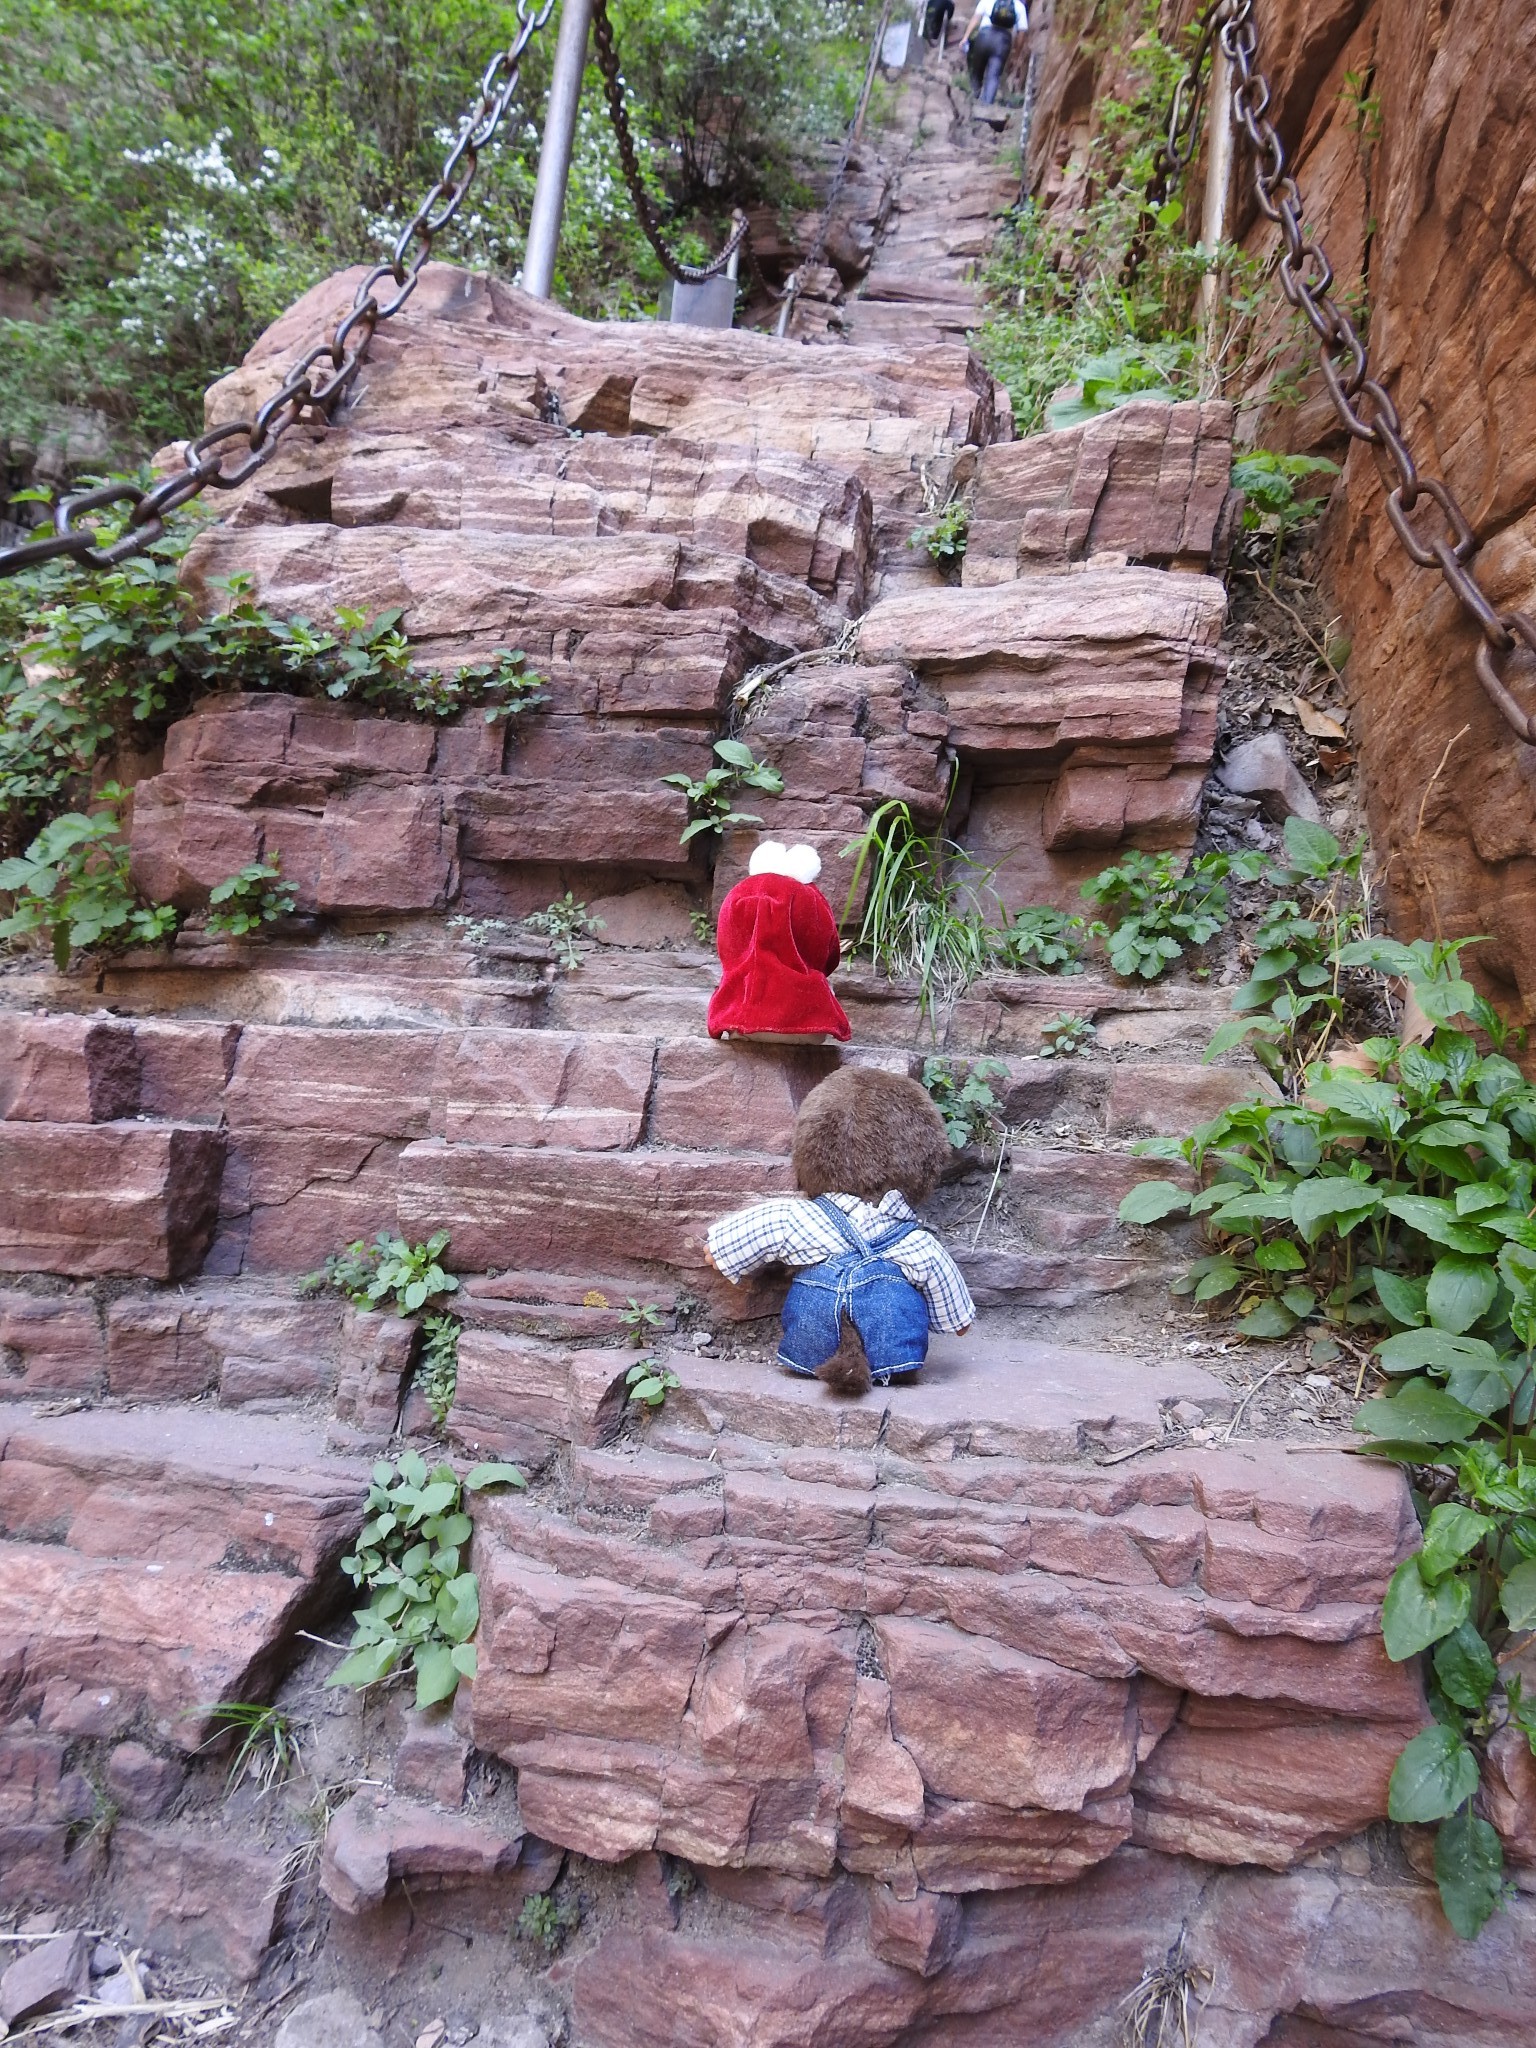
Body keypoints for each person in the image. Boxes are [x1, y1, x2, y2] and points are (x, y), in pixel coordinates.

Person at [964, 0, 1020, 104]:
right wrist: (1016, 50)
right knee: (993, 75)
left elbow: (976, 18)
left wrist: (965, 37)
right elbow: (1022, 31)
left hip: (984, 36)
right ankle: (987, 105)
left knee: (977, 70)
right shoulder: (1018, 5)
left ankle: (974, 97)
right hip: (1003, 41)